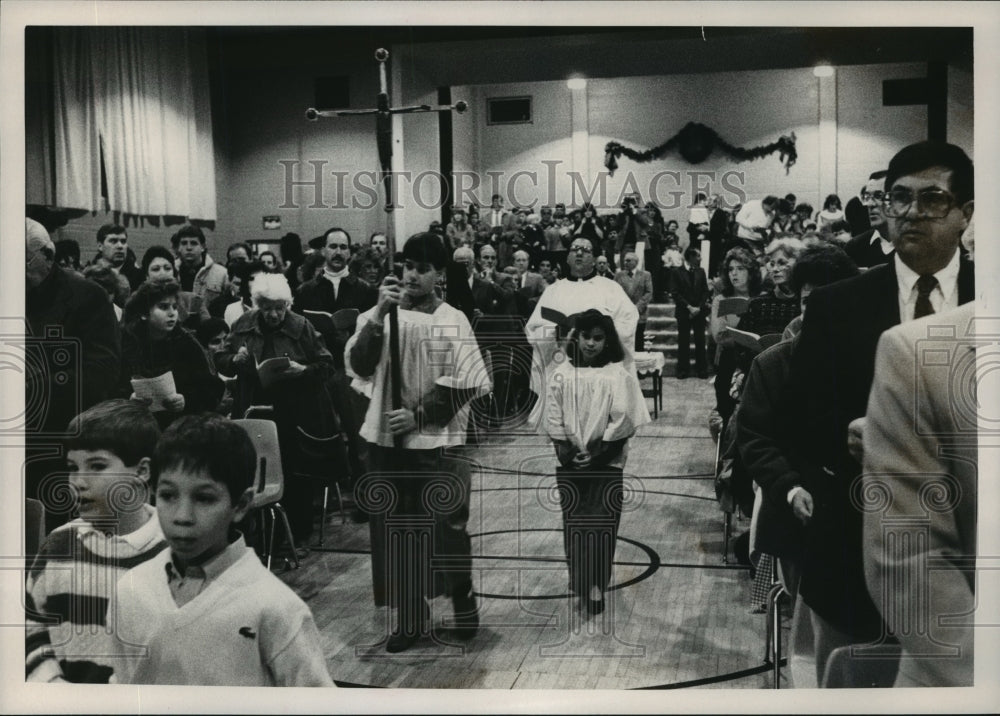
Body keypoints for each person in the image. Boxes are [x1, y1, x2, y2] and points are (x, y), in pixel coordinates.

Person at [788, 140, 975, 686]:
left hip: (967, 554)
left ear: (967, 212)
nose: (912, 212)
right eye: (900, 198)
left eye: (933, 199)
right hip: (856, 544)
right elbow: (799, 416)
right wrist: (848, 435)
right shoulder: (835, 303)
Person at [106, 414, 333, 685]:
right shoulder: (131, 589)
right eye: (168, 495)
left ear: (241, 505)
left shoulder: (276, 608)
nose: (182, 516)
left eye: (204, 498)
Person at [346, 232, 491, 653]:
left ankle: (462, 601)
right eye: (408, 265)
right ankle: (410, 616)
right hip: (386, 441)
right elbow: (359, 364)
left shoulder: (453, 319)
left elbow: (468, 382)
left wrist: (419, 414)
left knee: (447, 527)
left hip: (436, 440)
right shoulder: (379, 313)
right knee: (396, 527)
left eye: (423, 268)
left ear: (439, 274)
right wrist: (377, 314)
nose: (412, 275)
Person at [26, 400, 165, 683]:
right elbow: (30, 625)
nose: (78, 481)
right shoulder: (59, 544)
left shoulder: (173, 552)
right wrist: (49, 681)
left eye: (97, 466)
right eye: (72, 467)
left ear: (141, 471)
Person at [216, 273, 338, 544]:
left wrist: (302, 369)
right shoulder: (243, 324)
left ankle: (297, 534)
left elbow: (327, 365)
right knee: (253, 468)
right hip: (254, 406)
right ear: (257, 305)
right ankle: (256, 535)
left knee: (295, 470)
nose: (273, 315)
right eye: (267, 308)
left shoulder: (302, 326)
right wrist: (235, 359)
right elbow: (220, 359)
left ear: (288, 305)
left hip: (296, 409)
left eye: (279, 308)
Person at [544, 309, 649, 615]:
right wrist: (566, 450)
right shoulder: (562, 373)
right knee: (575, 524)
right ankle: (579, 580)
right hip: (570, 461)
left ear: (608, 340)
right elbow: (554, 415)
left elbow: (624, 419)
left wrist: (597, 454)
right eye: (586, 336)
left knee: (601, 526)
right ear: (577, 337)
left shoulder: (617, 375)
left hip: (606, 462)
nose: (591, 343)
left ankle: (596, 585)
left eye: (598, 338)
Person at [26, 219, 122, 529]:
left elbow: (102, 371)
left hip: (64, 439)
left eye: (23, 261)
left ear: (49, 255)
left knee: (55, 537)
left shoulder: (87, 296)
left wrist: (34, 389)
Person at [120, 281, 224, 429]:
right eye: (163, 307)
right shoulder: (126, 342)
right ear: (144, 314)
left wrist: (185, 400)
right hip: (131, 425)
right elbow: (109, 386)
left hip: (178, 426)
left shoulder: (187, 342)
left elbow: (210, 389)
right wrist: (128, 401)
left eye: (175, 307)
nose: (172, 313)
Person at [710, 248, 761, 423]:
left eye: (740, 269)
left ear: (751, 272)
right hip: (729, 363)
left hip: (757, 362)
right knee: (728, 414)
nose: (734, 274)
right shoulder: (721, 300)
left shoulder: (762, 298)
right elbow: (719, 337)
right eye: (731, 269)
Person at [737, 237, 805, 337]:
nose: (775, 269)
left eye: (782, 263)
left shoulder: (807, 304)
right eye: (772, 264)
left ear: (799, 263)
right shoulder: (757, 304)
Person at [671, 247, 710, 379]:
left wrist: (698, 307)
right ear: (691, 257)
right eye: (698, 256)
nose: (700, 259)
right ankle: (682, 370)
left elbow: (705, 291)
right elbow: (675, 293)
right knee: (683, 341)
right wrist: (689, 307)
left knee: (700, 341)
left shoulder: (701, 271)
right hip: (683, 312)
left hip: (699, 312)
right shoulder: (677, 272)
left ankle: (702, 370)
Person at [844, 171, 894, 268]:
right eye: (867, 197)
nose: (870, 204)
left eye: (878, 196)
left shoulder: (914, 247)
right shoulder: (854, 248)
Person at [171, 224, 229, 308]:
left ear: (203, 247)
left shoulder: (221, 274)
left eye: (194, 243)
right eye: (184, 243)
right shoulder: (171, 272)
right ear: (178, 247)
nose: (189, 247)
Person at [614, 251, 653, 352]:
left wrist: (637, 307)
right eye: (624, 261)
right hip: (624, 313)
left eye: (628, 260)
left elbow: (649, 292)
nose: (625, 263)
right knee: (624, 341)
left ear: (635, 262)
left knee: (639, 339)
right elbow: (614, 293)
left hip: (640, 312)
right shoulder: (619, 275)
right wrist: (625, 307)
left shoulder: (645, 275)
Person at [90, 223, 143, 292]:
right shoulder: (90, 276)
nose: (120, 246)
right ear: (100, 246)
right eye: (113, 241)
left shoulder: (140, 278)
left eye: (123, 241)